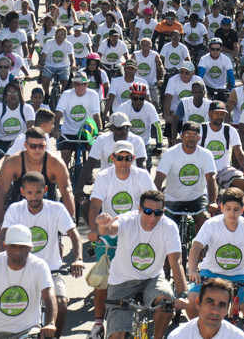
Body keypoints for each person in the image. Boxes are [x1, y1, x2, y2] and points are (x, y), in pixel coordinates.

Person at [0, 172, 83, 338]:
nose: (34, 197)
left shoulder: (56, 209)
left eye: (38, 192)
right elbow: (3, 239)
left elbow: (74, 235)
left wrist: (78, 258)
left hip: (51, 270)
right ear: (22, 192)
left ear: (45, 190)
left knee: (61, 303)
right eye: (29, 193)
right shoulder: (15, 210)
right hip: (22, 271)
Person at [96, 189, 189, 339]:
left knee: (166, 304)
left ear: (163, 212)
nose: (152, 217)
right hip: (122, 280)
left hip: (152, 278)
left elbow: (176, 262)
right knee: (117, 335)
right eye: (148, 211)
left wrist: (183, 294)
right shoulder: (128, 220)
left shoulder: (169, 227)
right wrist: (103, 225)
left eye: (158, 213)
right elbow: (109, 229)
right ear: (139, 209)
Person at [86, 140, 156, 338]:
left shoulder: (142, 176)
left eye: (128, 158)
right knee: (103, 280)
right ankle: (99, 323)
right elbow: (95, 205)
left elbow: (153, 200)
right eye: (120, 158)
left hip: (137, 231)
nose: (124, 162)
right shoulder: (104, 176)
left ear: (133, 159)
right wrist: (94, 230)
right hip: (110, 232)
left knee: (141, 275)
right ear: (113, 159)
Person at [186, 188, 244, 333]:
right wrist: (192, 270)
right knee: (192, 303)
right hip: (210, 273)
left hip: (240, 276)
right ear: (222, 208)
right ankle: (200, 334)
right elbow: (197, 246)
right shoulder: (211, 224)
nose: (232, 213)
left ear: (242, 210)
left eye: (236, 209)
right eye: (228, 209)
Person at [0, 127, 75, 234]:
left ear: (46, 145)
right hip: (20, 215)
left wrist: (71, 220)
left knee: (58, 247)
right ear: (25, 145)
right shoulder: (13, 162)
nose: (37, 150)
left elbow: (66, 191)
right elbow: (1, 190)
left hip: (49, 214)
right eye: (33, 146)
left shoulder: (55, 163)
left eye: (41, 146)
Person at [156, 121, 217, 234]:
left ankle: (198, 250)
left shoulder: (205, 154)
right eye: (188, 134)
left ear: (199, 138)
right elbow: (159, 178)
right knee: (166, 229)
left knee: (205, 222)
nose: (191, 138)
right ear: (182, 136)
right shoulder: (171, 153)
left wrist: (213, 202)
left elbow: (211, 179)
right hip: (173, 198)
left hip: (197, 197)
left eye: (194, 135)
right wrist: (156, 201)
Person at [169, 278, 244, 339]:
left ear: (227, 309)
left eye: (222, 305)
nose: (215, 311)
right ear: (198, 303)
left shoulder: (238, 337)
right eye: (210, 302)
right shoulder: (178, 336)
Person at [198, 101, 244, 191]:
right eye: (216, 113)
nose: (219, 116)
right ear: (209, 114)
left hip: (224, 170)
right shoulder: (201, 129)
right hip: (204, 170)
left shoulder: (230, 130)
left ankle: (235, 203)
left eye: (222, 114)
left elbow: (238, 152)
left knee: (242, 182)